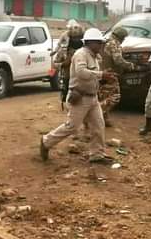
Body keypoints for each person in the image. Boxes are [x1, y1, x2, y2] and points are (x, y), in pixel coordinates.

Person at [40, 28, 116, 164]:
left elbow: (91, 76)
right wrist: (101, 75)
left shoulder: (93, 56)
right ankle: (46, 141)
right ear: (90, 42)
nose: (101, 45)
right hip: (80, 97)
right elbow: (81, 72)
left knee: (98, 125)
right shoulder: (81, 54)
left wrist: (104, 78)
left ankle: (97, 154)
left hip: (92, 97)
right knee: (72, 126)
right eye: (98, 43)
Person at [98, 26, 135, 127]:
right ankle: (96, 115)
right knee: (115, 97)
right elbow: (118, 59)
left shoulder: (104, 42)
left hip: (100, 74)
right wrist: (129, 65)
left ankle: (104, 119)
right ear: (121, 37)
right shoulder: (115, 44)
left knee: (103, 97)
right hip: (110, 75)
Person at [52, 20, 84, 108]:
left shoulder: (87, 50)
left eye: (78, 38)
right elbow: (55, 64)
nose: (76, 40)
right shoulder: (63, 51)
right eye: (74, 38)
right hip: (68, 77)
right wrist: (63, 64)